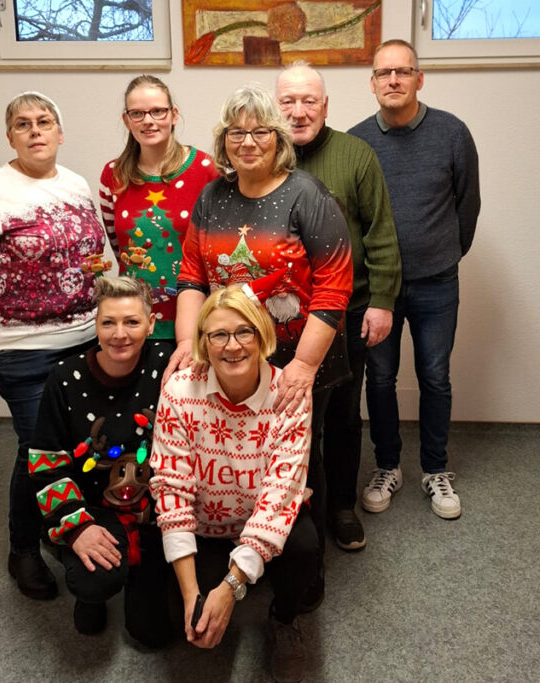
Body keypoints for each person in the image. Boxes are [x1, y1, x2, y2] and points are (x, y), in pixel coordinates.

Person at [169, 84, 352, 608]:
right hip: (228, 357)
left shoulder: (306, 195)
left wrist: (302, 366)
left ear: (278, 139)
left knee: (295, 474)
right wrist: (188, 342)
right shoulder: (212, 195)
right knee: (231, 462)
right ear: (223, 140)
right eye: (236, 132)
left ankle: (297, 590)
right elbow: (191, 274)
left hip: (297, 359)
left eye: (259, 132)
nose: (247, 142)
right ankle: (241, 556)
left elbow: (335, 283)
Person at [0, 91, 106, 600]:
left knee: (78, 441)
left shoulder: (77, 185)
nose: (35, 131)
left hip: (84, 336)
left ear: (60, 132)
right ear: (10, 136)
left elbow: (95, 255)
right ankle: (24, 549)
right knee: (37, 447)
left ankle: (65, 526)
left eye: (44, 121)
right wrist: (2, 311)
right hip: (21, 346)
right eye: (22, 124)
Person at [151, 286, 316, 683]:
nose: (232, 345)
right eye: (218, 335)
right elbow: (172, 490)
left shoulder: (290, 395)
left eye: (244, 332)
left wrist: (230, 587)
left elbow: (279, 499)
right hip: (204, 526)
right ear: (204, 343)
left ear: (262, 336)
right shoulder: (179, 390)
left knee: (306, 551)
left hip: (262, 523)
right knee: (156, 628)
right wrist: (192, 593)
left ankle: (282, 617)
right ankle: (221, 580)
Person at [349, 40, 480, 520]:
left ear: (419, 79)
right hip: (378, 289)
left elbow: (467, 206)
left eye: (403, 72)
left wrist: (442, 254)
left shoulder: (452, 133)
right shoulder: (357, 141)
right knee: (380, 377)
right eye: (384, 73)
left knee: (435, 376)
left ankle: (435, 469)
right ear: (373, 83)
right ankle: (387, 465)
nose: (393, 81)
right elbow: (351, 217)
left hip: (436, 284)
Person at [275, 62, 402, 551]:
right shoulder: (261, 154)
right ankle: (290, 508)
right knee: (285, 414)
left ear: (326, 106)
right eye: (288, 101)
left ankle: (342, 506)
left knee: (343, 416)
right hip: (281, 315)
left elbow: (382, 233)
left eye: (310, 101)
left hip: (347, 312)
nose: (299, 111)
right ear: (275, 105)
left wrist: (383, 302)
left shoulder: (356, 155)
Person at [28, 276, 173, 646]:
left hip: (156, 509)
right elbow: (46, 463)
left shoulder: (168, 361)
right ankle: (89, 589)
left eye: (132, 322)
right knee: (93, 582)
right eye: (108, 322)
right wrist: (77, 527)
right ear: (95, 325)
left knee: (153, 635)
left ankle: (142, 573)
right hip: (93, 507)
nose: (119, 334)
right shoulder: (64, 379)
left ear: (152, 324)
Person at [98, 75, 219, 340]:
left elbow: (216, 249)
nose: (148, 121)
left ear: (174, 115)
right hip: (132, 323)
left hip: (196, 320)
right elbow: (120, 248)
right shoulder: (112, 175)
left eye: (157, 111)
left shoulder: (206, 170)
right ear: (126, 120)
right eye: (138, 113)